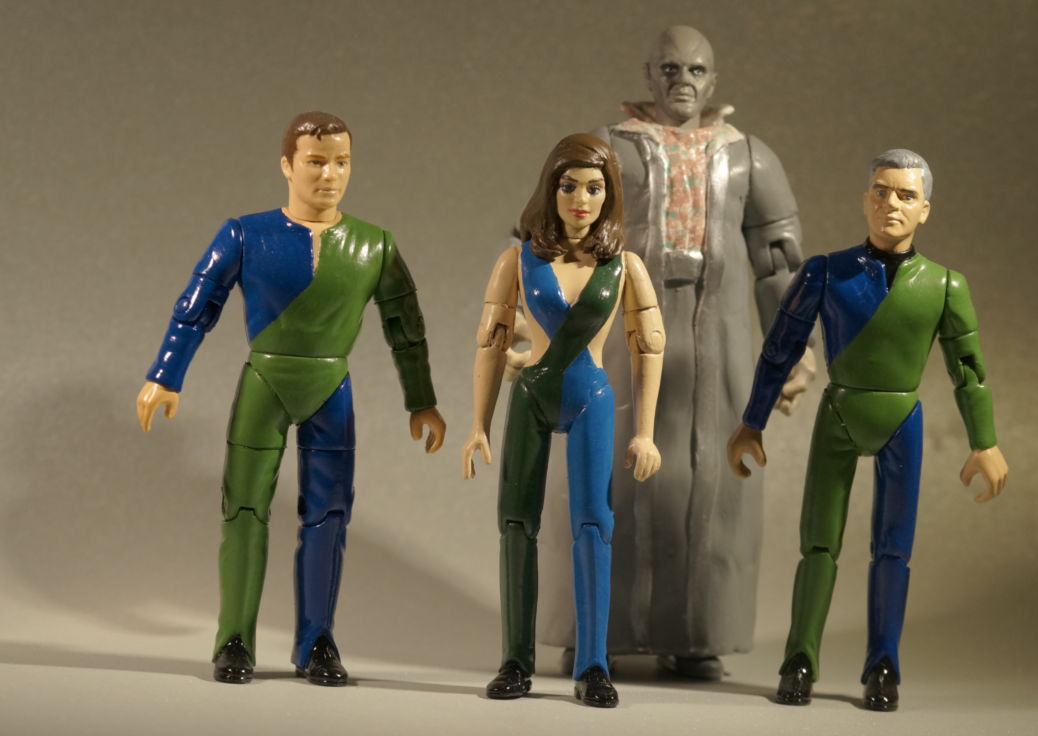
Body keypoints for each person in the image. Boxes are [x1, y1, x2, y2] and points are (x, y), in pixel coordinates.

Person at [524, 25, 811, 680]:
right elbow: (550, 236)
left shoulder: (749, 158)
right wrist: (529, 327)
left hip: (719, 338)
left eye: (696, 70)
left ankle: (696, 634)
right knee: (604, 470)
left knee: (712, 478)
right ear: (649, 74)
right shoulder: (607, 147)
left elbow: (779, 263)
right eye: (670, 68)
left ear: (714, 80)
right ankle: (591, 629)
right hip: (616, 327)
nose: (683, 81)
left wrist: (792, 349)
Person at [136, 111, 446, 685]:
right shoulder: (245, 234)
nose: (330, 174)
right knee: (244, 510)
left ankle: (317, 640)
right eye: (316, 161)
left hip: (332, 387)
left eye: (341, 162)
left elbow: (406, 328)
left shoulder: (374, 245)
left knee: (329, 515)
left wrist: (421, 400)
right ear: (287, 165)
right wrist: (166, 374)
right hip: (265, 382)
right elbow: (196, 306)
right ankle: (234, 638)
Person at [727, 148, 1009, 711]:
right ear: (865, 199)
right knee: (817, 545)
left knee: (893, 551)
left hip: (902, 419)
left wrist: (985, 441)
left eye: (906, 195)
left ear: (925, 209)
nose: (891, 204)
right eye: (881, 191)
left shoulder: (945, 285)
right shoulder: (825, 272)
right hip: (838, 413)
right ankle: (799, 659)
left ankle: (883, 664)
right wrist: (751, 422)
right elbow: (780, 349)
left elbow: (968, 372)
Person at [463, 133, 664, 707]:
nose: (581, 200)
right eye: (569, 186)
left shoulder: (624, 267)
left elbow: (649, 346)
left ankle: (593, 664)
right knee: (515, 524)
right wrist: (478, 424)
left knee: (594, 525)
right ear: (550, 190)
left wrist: (645, 432)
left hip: (591, 396)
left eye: (594, 188)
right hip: (532, 394)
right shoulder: (517, 260)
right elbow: (491, 342)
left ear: (610, 195)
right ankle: (515, 660)